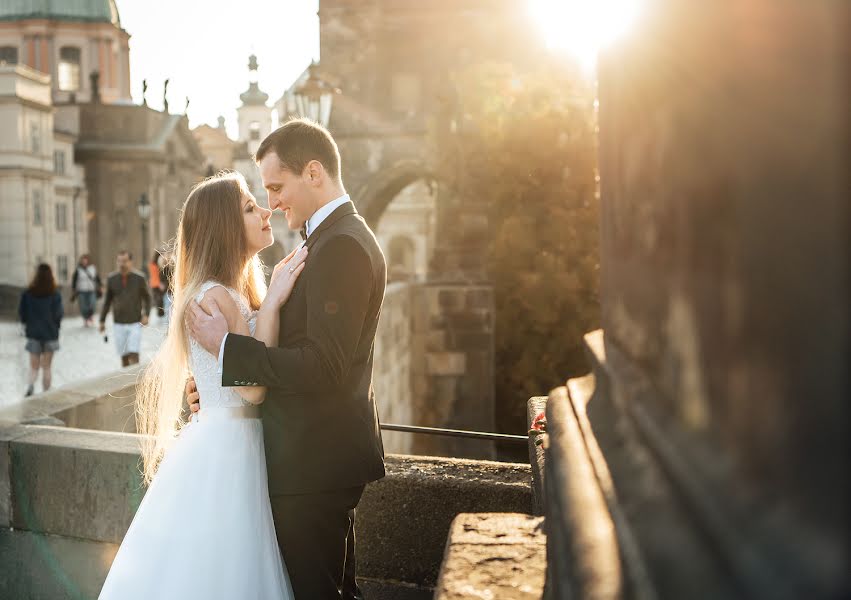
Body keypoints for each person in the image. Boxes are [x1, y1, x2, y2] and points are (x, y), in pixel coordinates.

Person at [188, 118, 387, 600]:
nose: (273, 204)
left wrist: (231, 353)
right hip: (312, 460)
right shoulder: (329, 240)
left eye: (276, 187)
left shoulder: (340, 245)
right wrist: (212, 381)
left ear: (313, 172)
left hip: (312, 465)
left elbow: (324, 365)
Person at [99, 171, 305, 599]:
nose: (265, 209)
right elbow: (254, 389)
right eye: (250, 207)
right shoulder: (217, 297)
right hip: (229, 442)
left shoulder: (232, 292)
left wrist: (265, 303)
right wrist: (273, 304)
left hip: (231, 437)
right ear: (224, 228)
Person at [99, 251, 151, 367]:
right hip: (119, 323)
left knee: (134, 353)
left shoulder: (139, 278)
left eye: (125, 261)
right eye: (119, 261)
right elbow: (107, 302)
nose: (122, 264)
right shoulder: (112, 279)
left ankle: (136, 381)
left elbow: (147, 298)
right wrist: (102, 321)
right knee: (124, 357)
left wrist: (146, 315)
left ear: (130, 262)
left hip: (135, 322)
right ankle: (126, 381)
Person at [18, 263, 63, 396]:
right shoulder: (55, 294)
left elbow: (22, 313)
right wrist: (56, 326)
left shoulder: (27, 293)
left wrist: (26, 324)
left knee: (34, 366)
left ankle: (31, 387)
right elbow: (58, 314)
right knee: (47, 367)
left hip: (33, 334)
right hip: (50, 333)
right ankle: (46, 393)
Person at [70, 254, 102, 327]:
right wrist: (73, 289)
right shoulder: (78, 270)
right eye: (83, 261)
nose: (84, 262)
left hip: (91, 290)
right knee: (83, 306)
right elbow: (74, 280)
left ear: (88, 261)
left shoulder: (93, 268)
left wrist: (100, 286)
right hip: (81, 290)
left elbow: (97, 278)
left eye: (85, 260)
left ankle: (90, 316)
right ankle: (85, 319)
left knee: (92, 304)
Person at [148, 252, 165, 318]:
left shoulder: (159, 264)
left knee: (160, 300)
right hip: (155, 285)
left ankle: (160, 315)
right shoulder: (153, 265)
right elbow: (154, 276)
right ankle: (159, 315)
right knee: (158, 300)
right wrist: (159, 284)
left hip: (158, 285)